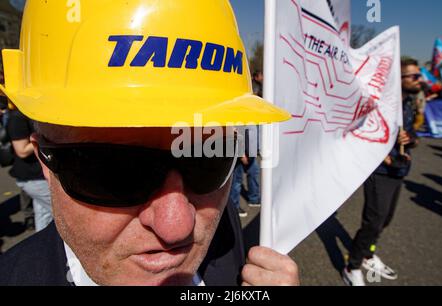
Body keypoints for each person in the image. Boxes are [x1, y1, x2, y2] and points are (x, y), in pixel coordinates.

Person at [0, 0, 298, 286]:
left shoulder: (226, 232)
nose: (178, 225)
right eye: (117, 173)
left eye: (208, 161)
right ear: (45, 163)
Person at [342, 58, 421, 286]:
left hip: (400, 169)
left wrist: (410, 140)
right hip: (380, 172)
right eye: (414, 76)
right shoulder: (383, 104)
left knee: (385, 220)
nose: (419, 80)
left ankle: (368, 253)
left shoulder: (408, 103)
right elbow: (362, 132)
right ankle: (352, 265)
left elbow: (412, 134)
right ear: (401, 79)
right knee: (373, 222)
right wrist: (381, 151)